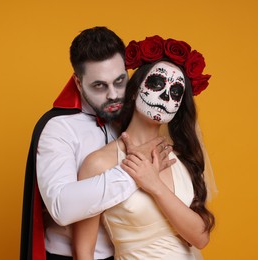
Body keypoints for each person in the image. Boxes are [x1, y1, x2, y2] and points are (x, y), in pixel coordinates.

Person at [20, 28, 174, 260]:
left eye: (119, 81)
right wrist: (137, 171)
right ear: (78, 83)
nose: (113, 95)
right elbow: (62, 207)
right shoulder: (57, 128)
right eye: (99, 86)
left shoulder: (130, 116)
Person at [73, 35, 215, 259]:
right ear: (134, 89)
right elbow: (83, 252)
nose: (165, 96)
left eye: (176, 92)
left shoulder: (181, 159)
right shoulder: (99, 163)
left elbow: (200, 239)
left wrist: (154, 184)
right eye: (157, 84)